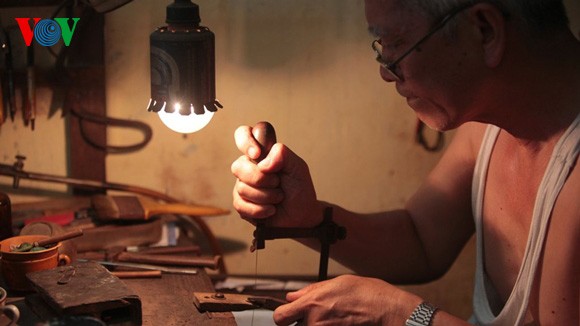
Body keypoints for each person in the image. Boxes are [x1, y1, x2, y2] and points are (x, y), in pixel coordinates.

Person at [231, 0, 580, 324]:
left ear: (484, 30)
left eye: (395, 45)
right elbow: (421, 240)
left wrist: (403, 315)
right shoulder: (490, 125)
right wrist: (307, 218)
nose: (386, 72)